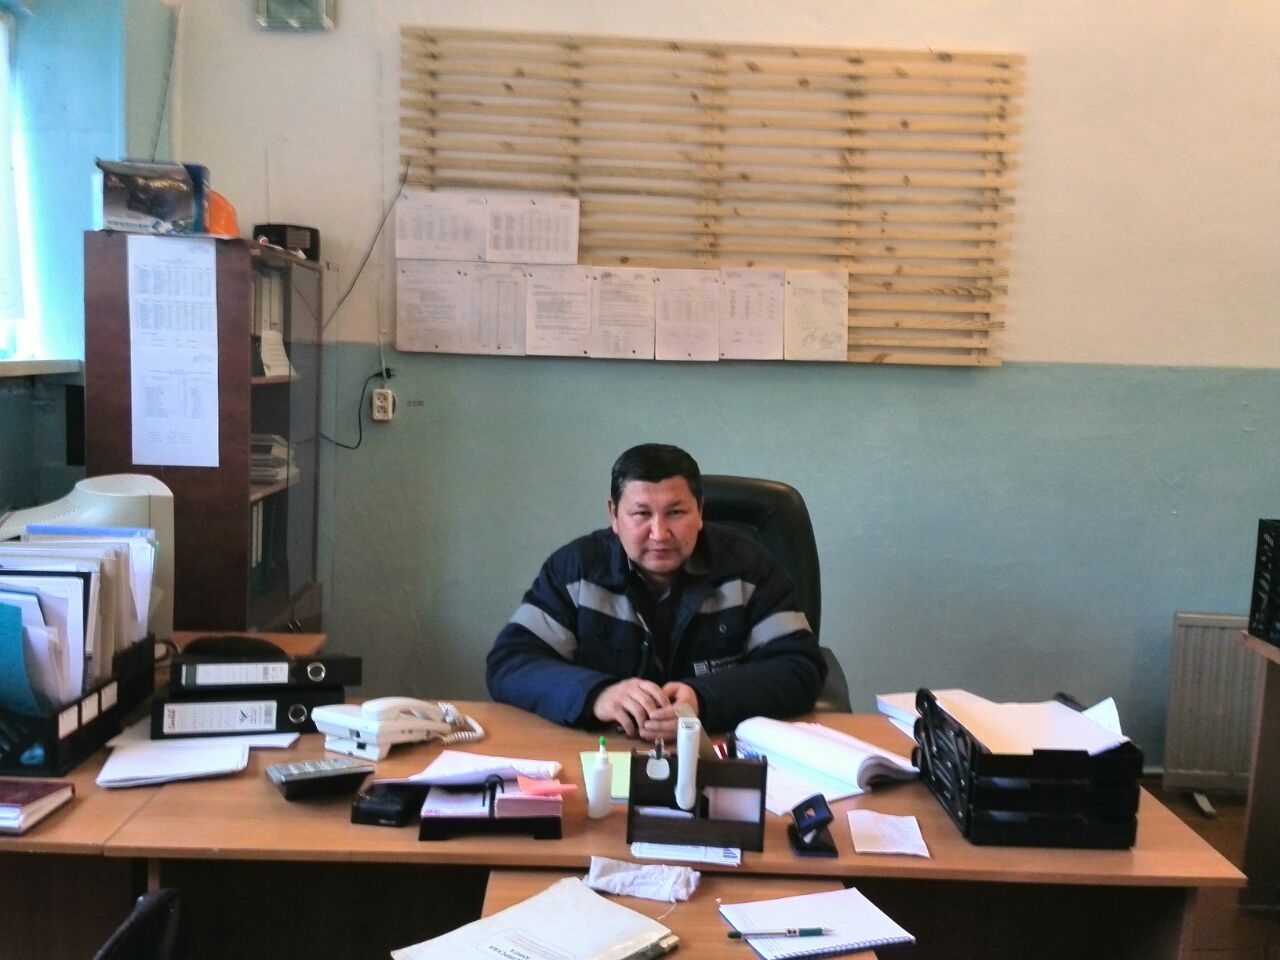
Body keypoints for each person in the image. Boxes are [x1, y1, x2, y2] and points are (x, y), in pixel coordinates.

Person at [486, 443, 827, 740]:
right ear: (614, 515)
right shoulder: (576, 571)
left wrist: (703, 699)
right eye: (641, 514)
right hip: (604, 750)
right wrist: (596, 695)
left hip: (717, 749)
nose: (660, 533)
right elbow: (510, 662)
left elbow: (800, 667)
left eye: (676, 513)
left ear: (700, 512)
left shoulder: (749, 567)